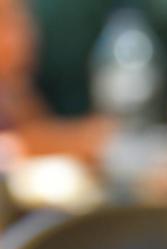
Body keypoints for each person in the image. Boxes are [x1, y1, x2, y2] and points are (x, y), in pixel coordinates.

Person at [0, 0, 115, 164]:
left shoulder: (12, 88)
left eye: (23, 22)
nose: (24, 37)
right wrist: (81, 141)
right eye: (6, 22)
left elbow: (35, 129)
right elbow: (15, 145)